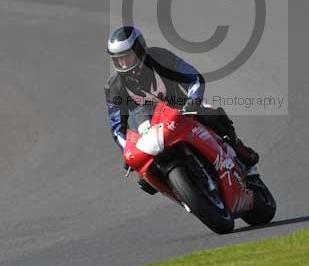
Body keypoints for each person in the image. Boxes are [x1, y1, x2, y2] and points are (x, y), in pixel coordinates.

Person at [105, 25, 259, 194]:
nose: (123, 63)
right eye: (118, 59)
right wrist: (127, 150)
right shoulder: (114, 86)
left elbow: (194, 78)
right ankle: (182, 192)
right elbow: (117, 128)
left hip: (182, 109)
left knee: (212, 114)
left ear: (140, 49)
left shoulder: (160, 57)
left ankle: (239, 151)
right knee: (144, 181)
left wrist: (193, 102)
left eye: (128, 57)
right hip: (148, 130)